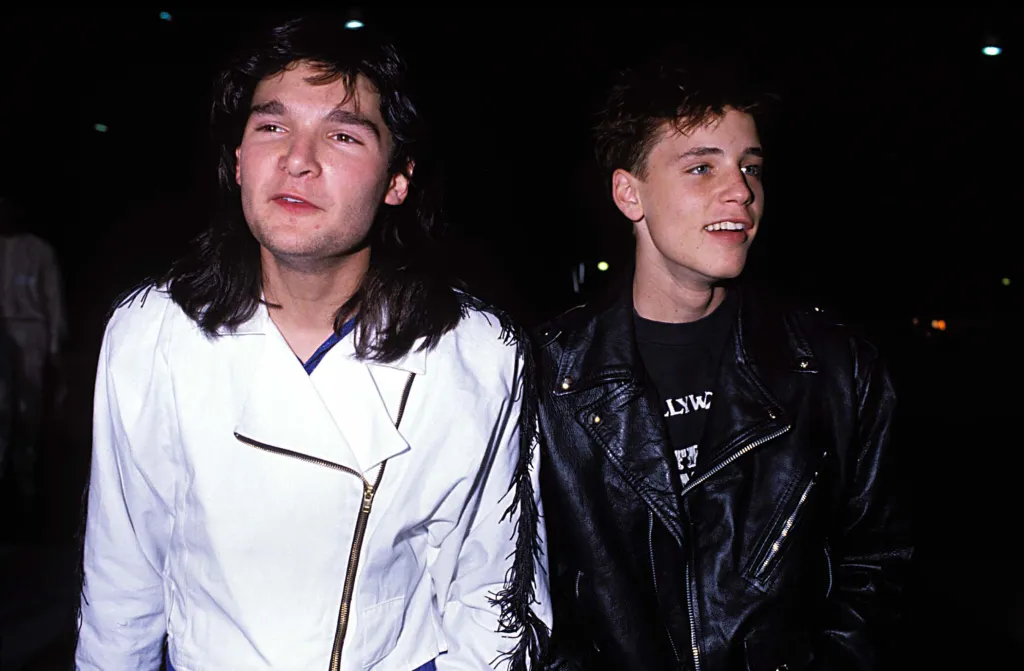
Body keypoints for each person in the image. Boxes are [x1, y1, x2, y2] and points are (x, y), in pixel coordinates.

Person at [76, 16, 549, 671]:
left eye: (343, 135)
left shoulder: (474, 355)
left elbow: (488, 603)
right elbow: (120, 584)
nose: (298, 160)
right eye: (272, 127)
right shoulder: (154, 333)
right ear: (238, 159)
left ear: (397, 178)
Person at [533, 55, 911, 670]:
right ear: (630, 193)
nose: (741, 191)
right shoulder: (546, 376)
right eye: (702, 167)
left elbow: (876, 568)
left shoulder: (837, 370)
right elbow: (523, 589)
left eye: (751, 167)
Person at [0, 196, 67, 515]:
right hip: (3, 333)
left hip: (31, 331)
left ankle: (25, 482)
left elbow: (53, 297)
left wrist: (54, 344)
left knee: (29, 408)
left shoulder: (38, 250)